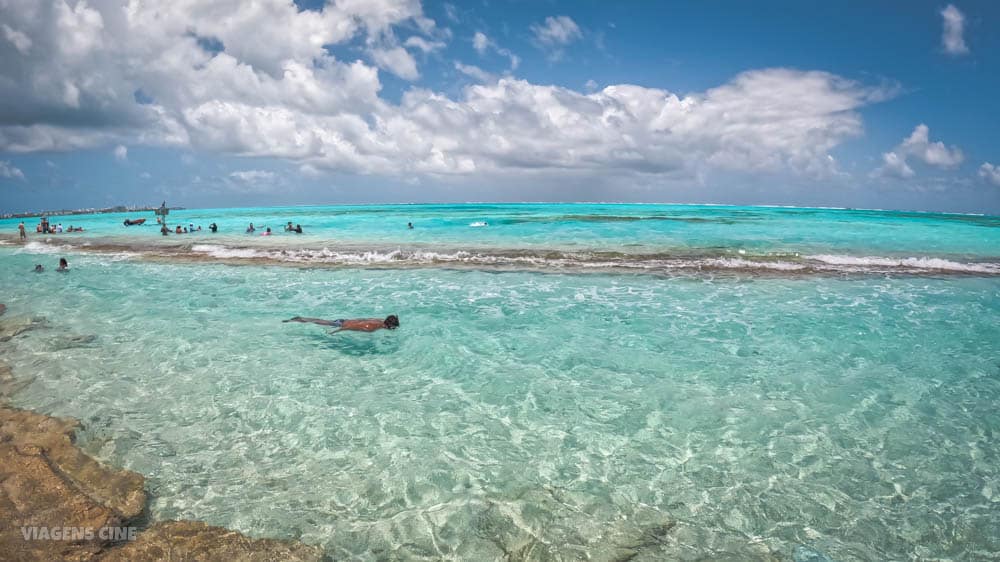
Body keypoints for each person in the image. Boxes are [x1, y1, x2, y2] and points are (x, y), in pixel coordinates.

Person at [283, 315, 399, 333]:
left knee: (320, 321)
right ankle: (299, 319)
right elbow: (351, 327)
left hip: (344, 320)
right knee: (318, 322)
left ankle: (301, 318)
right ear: (389, 326)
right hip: (341, 324)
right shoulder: (371, 327)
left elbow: (363, 319)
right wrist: (335, 332)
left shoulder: (379, 320)